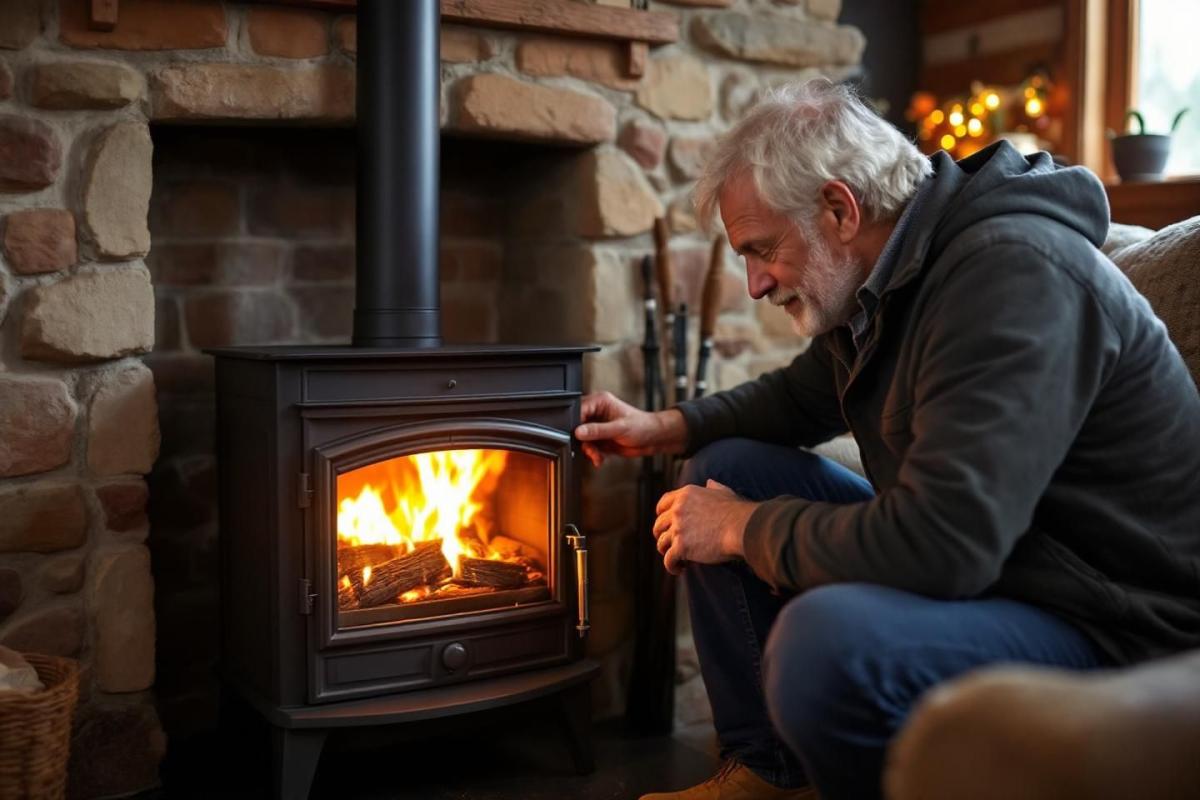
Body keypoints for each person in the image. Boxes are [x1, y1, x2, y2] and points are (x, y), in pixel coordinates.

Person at [574, 79, 1200, 800]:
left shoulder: (1013, 274)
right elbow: (800, 397)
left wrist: (746, 529)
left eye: (762, 249)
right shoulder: (895, 271)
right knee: (724, 468)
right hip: (1015, 573)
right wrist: (663, 428)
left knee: (823, 645)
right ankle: (770, 777)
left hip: (1115, 623)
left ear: (840, 208)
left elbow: (945, 548)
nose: (753, 283)